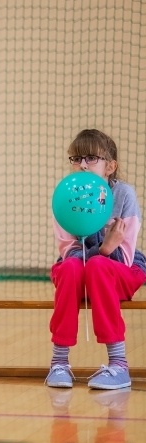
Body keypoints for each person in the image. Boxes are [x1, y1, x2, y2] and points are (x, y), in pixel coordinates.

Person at [46, 129, 146, 390]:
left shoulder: (124, 195)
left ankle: (119, 365)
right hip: (82, 267)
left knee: (100, 266)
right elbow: (70, 251)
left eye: (91, 158)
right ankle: (59, 363)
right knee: (70, 268)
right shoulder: (65, 195)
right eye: (76, 159)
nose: (81, 165)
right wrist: (102, 249)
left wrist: (104, 253)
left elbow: (123, 259)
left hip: (120, 269)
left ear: (110, 166)